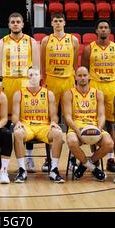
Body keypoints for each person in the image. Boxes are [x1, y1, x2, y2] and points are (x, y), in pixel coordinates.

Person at [0, 12, 40, 173]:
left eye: (18, 22)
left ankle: (29, 158)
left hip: (25, 82)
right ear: (8, 24)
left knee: (27, 119)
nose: (15, 24)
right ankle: (3, 160)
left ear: (22, 24)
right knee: (5, 120)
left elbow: (36, 66)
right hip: (8, 81)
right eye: (12, 22)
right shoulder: (1, 43)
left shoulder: (31, 42)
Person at [81, 19, 115, 172]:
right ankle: (96, 156)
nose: (104, 30)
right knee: (94, 123)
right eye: (101, 27)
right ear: (96, 31)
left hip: (111, 86)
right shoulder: (88, 49)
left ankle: (111, 158)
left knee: (111, 124)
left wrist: (113, 82)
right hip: (94, 86)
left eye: (106, 27)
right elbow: (84, 70)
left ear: (109, 31)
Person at [40, 12, 79, 172]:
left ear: (64, 22)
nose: (57, 23)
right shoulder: (45, 40)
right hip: (51, 81)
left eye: (60, 20)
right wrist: (44, 80)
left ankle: (73, 159)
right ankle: (48, 159)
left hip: (68, 81)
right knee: (50, 121)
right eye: (55, 21)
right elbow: (42, 63)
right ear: (52, 23)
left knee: (71, 120)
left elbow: (75, 62)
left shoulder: (73, 39)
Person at [12, 68, 65, 183]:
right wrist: (17, 122)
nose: (34, 76)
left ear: (40, 77)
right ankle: (22, 170)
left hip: (43, 127)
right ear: (27, 77)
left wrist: (54, 122)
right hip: (27, 126)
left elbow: (54, 115)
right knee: (17, 133)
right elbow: (15, 115)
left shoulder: (48, 94)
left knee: (58, 134)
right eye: (31, 74)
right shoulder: (19, 94)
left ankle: (54, 170)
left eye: (36, 74)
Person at [62, 67, 114, 181]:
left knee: (109, 143)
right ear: (75, 77)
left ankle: (84, 165)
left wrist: (99, 129)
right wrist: (77, 130)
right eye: (79, 75)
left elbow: (101, 115)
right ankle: (93, 168)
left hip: (94, 126)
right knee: (72, 142)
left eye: (85, 75)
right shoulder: (69, 94)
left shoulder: (98, 93)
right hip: (77, 128)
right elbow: (67, 117)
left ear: (89, 76)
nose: (82, 78)